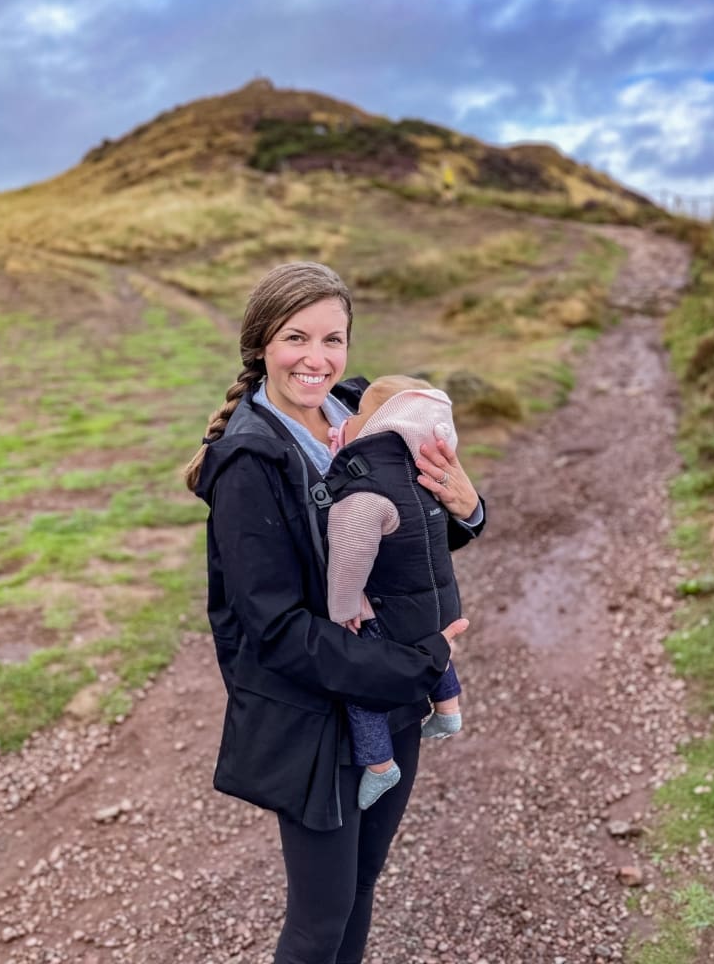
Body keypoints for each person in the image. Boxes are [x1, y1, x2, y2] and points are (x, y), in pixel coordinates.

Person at [184, 262, 485, 964]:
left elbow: (409, 540)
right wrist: (419, 665)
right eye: (296, 338)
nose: (317, 360)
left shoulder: (369, 416)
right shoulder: (248, 463)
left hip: (394, 695)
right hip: (314, 717)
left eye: (333, 339)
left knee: (362, 883)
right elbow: (278, 630)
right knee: (319, 919)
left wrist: (468, 508)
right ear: (261, 344)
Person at [325, 376, 465, 811]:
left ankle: (380, 766)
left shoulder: (365, 491)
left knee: (362, 687)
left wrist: (344, 608)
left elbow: (349, 555)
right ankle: (448, 710)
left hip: (395, 612)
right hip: (439, 604)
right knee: (436, 647)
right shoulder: (422, 473)